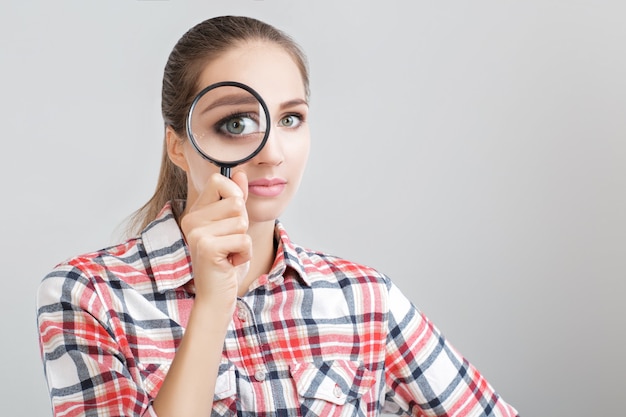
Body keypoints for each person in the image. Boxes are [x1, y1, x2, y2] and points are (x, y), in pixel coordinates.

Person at [36, 15, 519, 417]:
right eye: (236, 123)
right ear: (179, 145)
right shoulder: (88, 295)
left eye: (291, 119)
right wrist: (210, 306)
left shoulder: (363, 297)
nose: (272, 152)